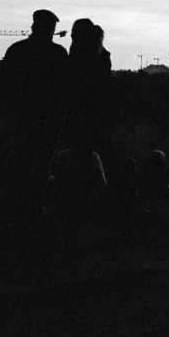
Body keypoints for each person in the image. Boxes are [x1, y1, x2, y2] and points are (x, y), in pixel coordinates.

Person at [0, 9, 68, 214]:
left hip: (23, 117)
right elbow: (63, 88)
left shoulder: (17, 50)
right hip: (47, 119)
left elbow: (5, 84)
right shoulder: (57, 54)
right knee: (42, 164)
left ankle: (12, 203)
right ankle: (34, 205)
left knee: (20, 159)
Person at [63, 18, 113, 208]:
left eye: (73, 33)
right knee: (98, 154)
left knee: (83, 156)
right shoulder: (101, 56)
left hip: (82, 114)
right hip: (99, 115)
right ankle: (100, 196)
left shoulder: (77, 57)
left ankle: (87, 197)